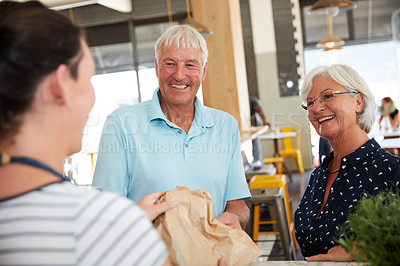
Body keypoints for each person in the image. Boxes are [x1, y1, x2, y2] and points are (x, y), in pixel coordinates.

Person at [0, 2, 177, 265]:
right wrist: (120, 227)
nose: (93, 96)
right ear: (60, 85)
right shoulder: (97, 224)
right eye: (88, 78)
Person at [92, 24, 251, 230]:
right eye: (170, 63)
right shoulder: (121, 124)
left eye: (190, 65)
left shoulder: (226, 125)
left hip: (212, 257)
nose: (179, 75)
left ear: (203, 71)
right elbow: (106, 209)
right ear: (156, 67)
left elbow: (237, 204)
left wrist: (235, 218)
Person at [296, 64, 400, 261]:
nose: (316, 108)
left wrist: (363, 249)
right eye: (310, 102)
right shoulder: (319, 175)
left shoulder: (392, 171)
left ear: (358, 102)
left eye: (328, 96)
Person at [249, 96, 270, 169]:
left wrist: (265, 121)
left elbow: (260, 110)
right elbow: (260, 110)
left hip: (252, 125)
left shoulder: (252, 100)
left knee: (255, 142)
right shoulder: (251, 99)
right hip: (247, 125)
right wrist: (265, 121)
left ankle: (257, 162)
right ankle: (256, 162)